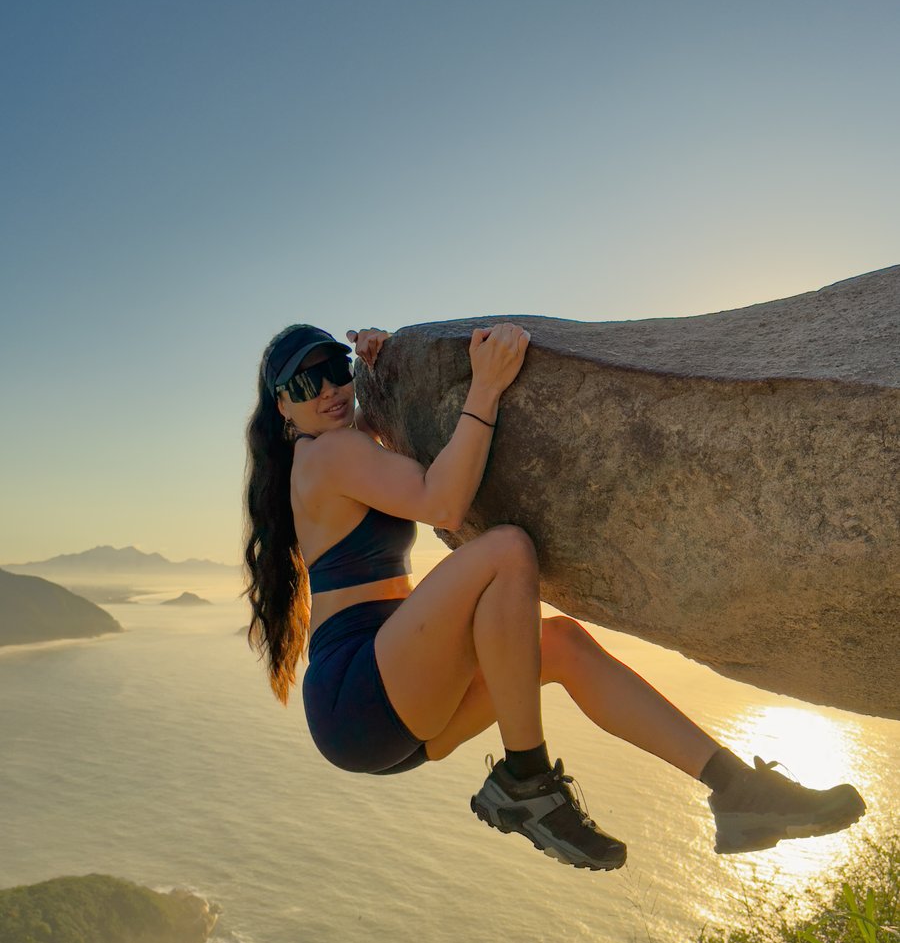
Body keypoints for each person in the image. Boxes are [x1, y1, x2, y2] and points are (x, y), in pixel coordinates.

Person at [243, 321, 866, 871]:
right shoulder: (325, 455)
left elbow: (394, 458)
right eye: (304, 384)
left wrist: (377, 377)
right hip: (361, 691)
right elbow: (442, 502)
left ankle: (738, 791)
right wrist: (484, 386)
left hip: (385, 710)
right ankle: (527, 777)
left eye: (334, 370)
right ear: (282, 410)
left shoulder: (342, 449)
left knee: (562, 645)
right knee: (506, 549)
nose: (326, 389)